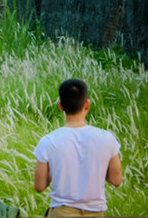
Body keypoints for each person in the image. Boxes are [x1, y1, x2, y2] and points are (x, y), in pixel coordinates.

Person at [33, 79, 122, 217]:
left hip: (61, 212)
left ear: (60, 106)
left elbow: (39, 186)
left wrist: (56, 170)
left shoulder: (48, 142)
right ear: (87, 104)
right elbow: (116, 180)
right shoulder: (106, 139)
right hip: (96, 213)